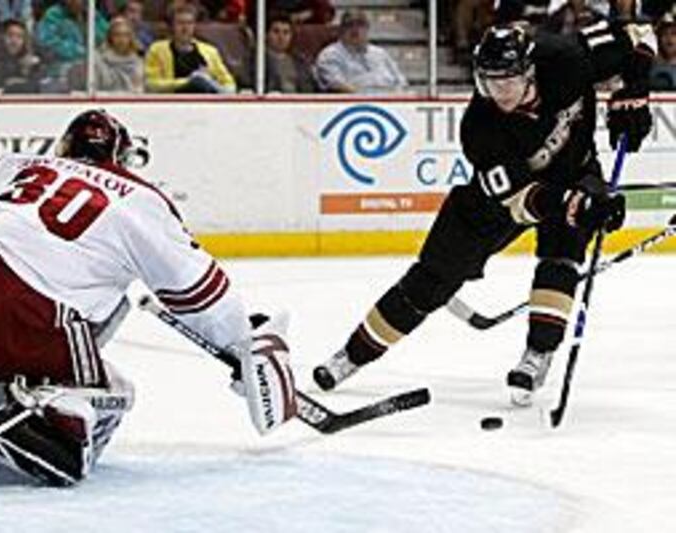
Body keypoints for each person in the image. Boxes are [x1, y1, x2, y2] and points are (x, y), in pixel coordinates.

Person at [313, 22, 656, 406]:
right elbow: (520, 201)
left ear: (530, 71)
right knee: (430, 280)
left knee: (562, 252)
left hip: (575, 171)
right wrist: (572, 204)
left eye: (507, 82)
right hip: (496, 200)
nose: (500, 93)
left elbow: (641, 33)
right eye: (490, 83)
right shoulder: (479, 129)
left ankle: (537, 354)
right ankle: (353, 355)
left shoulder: (566, 58)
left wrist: (635, 89)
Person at [0, 109, 296, 486]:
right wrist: (241, 340)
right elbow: (200, 291)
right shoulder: (139, 197)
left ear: (65, 146)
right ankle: (49, 412)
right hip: (26, 301)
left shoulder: (16, 165)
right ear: (121, 159)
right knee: (114, 391)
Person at [144, 3, 236, 93]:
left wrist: (211, 84)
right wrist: (188, 82)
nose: (185, 28)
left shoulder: (210, 51)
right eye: (180, 23)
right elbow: (151, 85)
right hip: (172, 104)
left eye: (189, 23)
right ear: (172, 26)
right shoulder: (156, 49)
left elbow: (230, 85)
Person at [314, 9, 407, 94]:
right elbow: (336, 84)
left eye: (360, 25)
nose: (355, 30)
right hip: (355, 105)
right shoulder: (330, 55)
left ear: (367, 29)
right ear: (341, 30)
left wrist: (398, 95)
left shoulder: (380, 53)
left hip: (392, 102)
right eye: (350, 25)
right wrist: (368, 97)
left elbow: (400, 81)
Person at [265, 12, 317, 93]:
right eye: (276, 31)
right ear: (266, 34)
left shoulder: (300, 62)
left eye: (286, 32)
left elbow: (310, 89)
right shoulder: (255, 60)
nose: (281, 37)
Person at [95, 15, 145, 93]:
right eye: (117, 35)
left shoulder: (138, 62)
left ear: (131, 38)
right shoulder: (99, 60)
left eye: (125, 35)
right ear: (110, 37)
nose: (121, 39)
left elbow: (139, 88)